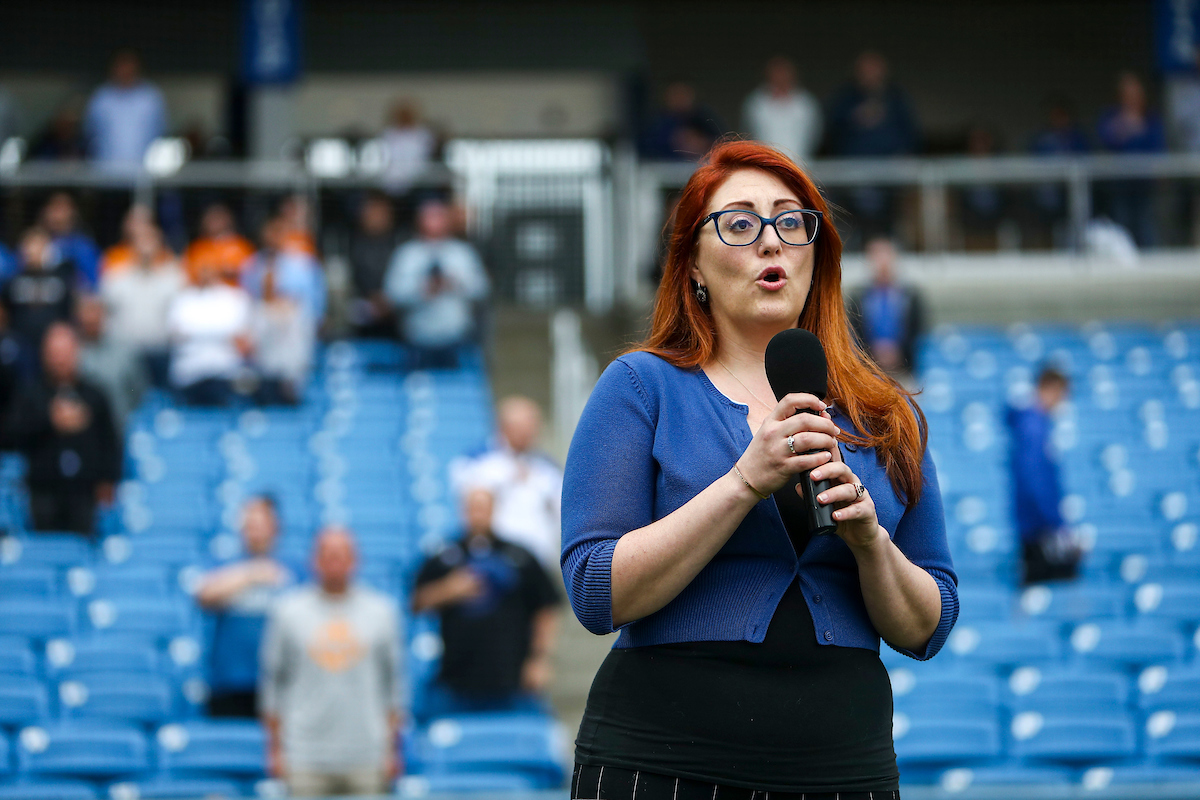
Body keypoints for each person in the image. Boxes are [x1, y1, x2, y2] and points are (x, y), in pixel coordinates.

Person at [561, 141, 957, 799]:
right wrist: (745, 481)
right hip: (663, 766)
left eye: (791, 222)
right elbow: (596, 593)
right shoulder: (639, 388)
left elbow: (928, 625)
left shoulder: (888, 415)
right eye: (740, 223)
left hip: (844, 771)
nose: (770, 242)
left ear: (815, 257)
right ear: (694, 264)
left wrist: (870, 544)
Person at [260, 527, 404, 798]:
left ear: (356, 559)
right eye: (327, 554)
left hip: (366, 754)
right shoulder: (288, 612)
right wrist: (275, 750)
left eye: (342, 554)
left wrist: (392, 750)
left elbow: (394, 687)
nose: (335, 561)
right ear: (314, 560)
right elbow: (273, 685)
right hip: (305, 755)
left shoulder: (382, 612)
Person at [413, 487, 560, 718]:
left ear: (494, 509)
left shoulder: (519, 556)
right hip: (456, 679)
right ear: (463, 510)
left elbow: (546, 607)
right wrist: (448, 590)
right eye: (473, 507)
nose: (478, 514)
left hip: (511, 679)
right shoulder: (444, 556)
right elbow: (416, 602)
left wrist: (539, 659)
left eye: (483, 507)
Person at [5, 323, 120, 535]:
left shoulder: (95, 395)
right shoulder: (30, 395)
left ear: (77, 352)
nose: (59, 360)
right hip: (43, 491)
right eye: (54, 353)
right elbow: (12, 435)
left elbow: (111, 441)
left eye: (65, 353)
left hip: (85, 492)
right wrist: (50, 421)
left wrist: (108, 480)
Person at [195, 496, 300, 719]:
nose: (255, 531)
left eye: (260, 524)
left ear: (276, 527)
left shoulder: (294, 569)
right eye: (249, 525)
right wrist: (252, 573)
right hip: (230, 682)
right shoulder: (224, 564)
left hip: (283, 682)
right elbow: (204, 596)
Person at [450, 396, 562, 574]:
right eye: (523, 427)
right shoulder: (476, 460)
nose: (530, 433)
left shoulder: (547, 466)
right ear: (504, 427)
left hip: (540, 561)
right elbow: (470, 500)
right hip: (498, 561)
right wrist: (507, 476)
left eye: (533, 427)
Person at [384, 198, 490, 369]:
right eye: (429, 217)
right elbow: (392, 294)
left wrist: (454, 283)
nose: (434, 222)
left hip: (455, 340)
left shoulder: (462, 253)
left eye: (439, 216)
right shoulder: (407, 254)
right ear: (419, 220)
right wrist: (422, 290)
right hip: (416, 340)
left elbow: (482, 289)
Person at [826, 51, 918, 240]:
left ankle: (892, 246)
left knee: (890, 219)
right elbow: (830, 131)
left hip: (889, 176)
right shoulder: (846, 98)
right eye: (865, 70)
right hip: (853, 176)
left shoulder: (896, 98)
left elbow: (911, 134)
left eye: (874, 70)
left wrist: (905, 156)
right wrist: (856, 116)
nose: (870, 75)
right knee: (852, 216)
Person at [1006, 367, 1079, 586]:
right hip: (1039, 530)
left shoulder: (1031, 424)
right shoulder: (1034, 427)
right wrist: (1055, 525)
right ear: (1051, 388)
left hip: (1034, 526)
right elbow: (1035, 481)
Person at [242, 217, 325, 404]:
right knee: (265, 380)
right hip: (264, 328)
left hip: (293, 329)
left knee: (292, 382)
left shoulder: (302, 263)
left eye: (278, 233)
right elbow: (249, 299)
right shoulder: (253, 264)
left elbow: (314, 302)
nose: (273, 238)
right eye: (269, 233)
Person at [98, 214, 184, 387]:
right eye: (140, 239)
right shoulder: (115, 278)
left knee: (162, 402)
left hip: (162, 352)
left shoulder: (174, 277)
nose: (145, 245)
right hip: (126, 353)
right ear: (131, 243)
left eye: (150, 239)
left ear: (159, 243)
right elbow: (104, 314)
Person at [166, 261, 253, 406]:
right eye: (201, 269)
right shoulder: (182, 299)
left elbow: (242, 338)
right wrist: (222, 334)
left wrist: (195, 333)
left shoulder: (236, 298)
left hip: (226, 373)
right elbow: (176, 335)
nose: (205, 273)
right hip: (188, 374)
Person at [1096, 72, 1166, 248]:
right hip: (1120, 184)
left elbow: (1158, 148)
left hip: (1144, 184)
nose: (1132, 99)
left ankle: (1150, 271)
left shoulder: (1151, 118)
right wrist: (1125, 125)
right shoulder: (1110, 116)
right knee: (1122, 230)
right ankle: (1123, 271)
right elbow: (1105, 139)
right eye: (1127, 94)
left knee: (1146, 227)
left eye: (1136, 94)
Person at [847, 236, 925, 378]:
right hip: (869, 371)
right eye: (876, 256)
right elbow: (853, 332)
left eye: (886, 255)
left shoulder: (911, 295)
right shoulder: (858, 297)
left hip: (905, 370)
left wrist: (898, 351)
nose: (882, 262)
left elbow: (918, 330)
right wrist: (875, 352)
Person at [3, 228, 77, 371]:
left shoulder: (60, 280)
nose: (33, 252)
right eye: (29, 246)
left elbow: (68, 312)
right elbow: (6, 311)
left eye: (38, 246)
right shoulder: (13, 281)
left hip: (53, 346)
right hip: (20, 346)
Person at [84, 49, 167, 172]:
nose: (125, 69)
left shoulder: (150, 97)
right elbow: (89, 133)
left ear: (137, 67)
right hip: (105, 175)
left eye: (129, 65)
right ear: (113, 68)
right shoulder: (101, 97)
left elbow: (161, 135)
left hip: (143, 176)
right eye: (121, 65)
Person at [76, 295, 147, 430]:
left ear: (104, 315)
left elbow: (138, 389)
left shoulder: (124, 350)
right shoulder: (71, 349)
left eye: (94, 311)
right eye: (86, 312)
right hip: (82, 429)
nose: (91, 318)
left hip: (118, 424)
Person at [742, 56, 823, 164]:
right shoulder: (757, 102)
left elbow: (815, 134)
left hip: (802, 164)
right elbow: (750, 134)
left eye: (784, 73)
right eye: (777, 73)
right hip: (766, 163)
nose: (780, 77)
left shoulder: (805, 103)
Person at [348, 191, 400, 338]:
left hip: (395, 318)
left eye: (381, 212)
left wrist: (388, 299)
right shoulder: (347, 243)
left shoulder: (402, 242)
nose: (376, 216)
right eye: (371, 211)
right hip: (359, 317)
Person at [640, 82, 725, 161]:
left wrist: (702, 144)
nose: (680, 99)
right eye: (675, 94)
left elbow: (722, 143)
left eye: (683, 94)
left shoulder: (704, 118)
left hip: (698, 166)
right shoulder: (658, 122)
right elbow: (646, 150)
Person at [183, 203, 256, 287]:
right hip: (202, 292)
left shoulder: (241, 245)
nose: (214, 222)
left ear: (228, 219)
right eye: (211, 218)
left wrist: (221, 272)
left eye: (218, 218)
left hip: (233, 292)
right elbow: (190, 273)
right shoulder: (197, 247)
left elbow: (250, 273)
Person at [39, 193, 101, 291]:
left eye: (59, 209)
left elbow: (93, 283)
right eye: (52, 208)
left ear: (72, 212)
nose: (54, 214)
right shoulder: (36, 242)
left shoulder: (83, 247)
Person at [381, 100, 436, 195]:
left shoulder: (423, 135)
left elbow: (425, 159)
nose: (404, 117)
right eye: (402, 115)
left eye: (407, 114)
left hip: (418, 182)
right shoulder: (388, 134)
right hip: (392, 184)